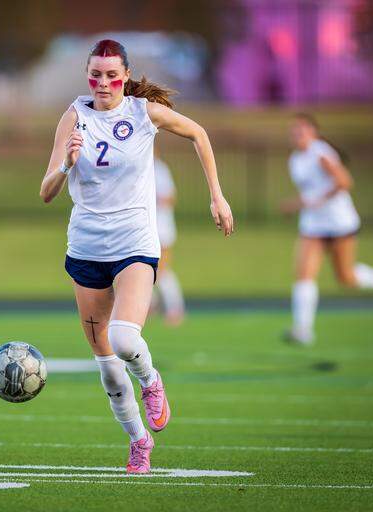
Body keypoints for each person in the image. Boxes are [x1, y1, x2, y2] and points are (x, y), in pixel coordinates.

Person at [40, 39, 233, 473]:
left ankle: (150, 379)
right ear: (87, 75)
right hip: (86, 249)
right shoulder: (73, 116)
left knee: (126, 340)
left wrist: (217, 197)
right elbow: (46, 191)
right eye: (95, 74)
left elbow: (199, 134)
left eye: (112, 75)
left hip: (135, 244)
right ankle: (138, 442)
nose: (103, 82)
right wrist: (68, 164)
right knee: (107, 366)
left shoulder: (142, 113)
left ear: (125, 76)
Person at [282, 113, 373, 345]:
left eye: (302, 130)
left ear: (313, 132)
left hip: (339, 222)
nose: (297, 135)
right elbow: (310, 194)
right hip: (313, 225)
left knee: (346, 277)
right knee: (304, 274)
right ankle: (303, 330)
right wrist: (295, 205)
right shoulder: (295, 160)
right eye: (294, 131)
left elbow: (344, 181)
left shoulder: (320, 153)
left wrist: (320, 200)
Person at [154, 156, 185, 325]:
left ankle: (175, 308)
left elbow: (170, 197)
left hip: (161, 228)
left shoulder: (158, 169)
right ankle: (150, 306)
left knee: (161, 270)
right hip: (143, 228)